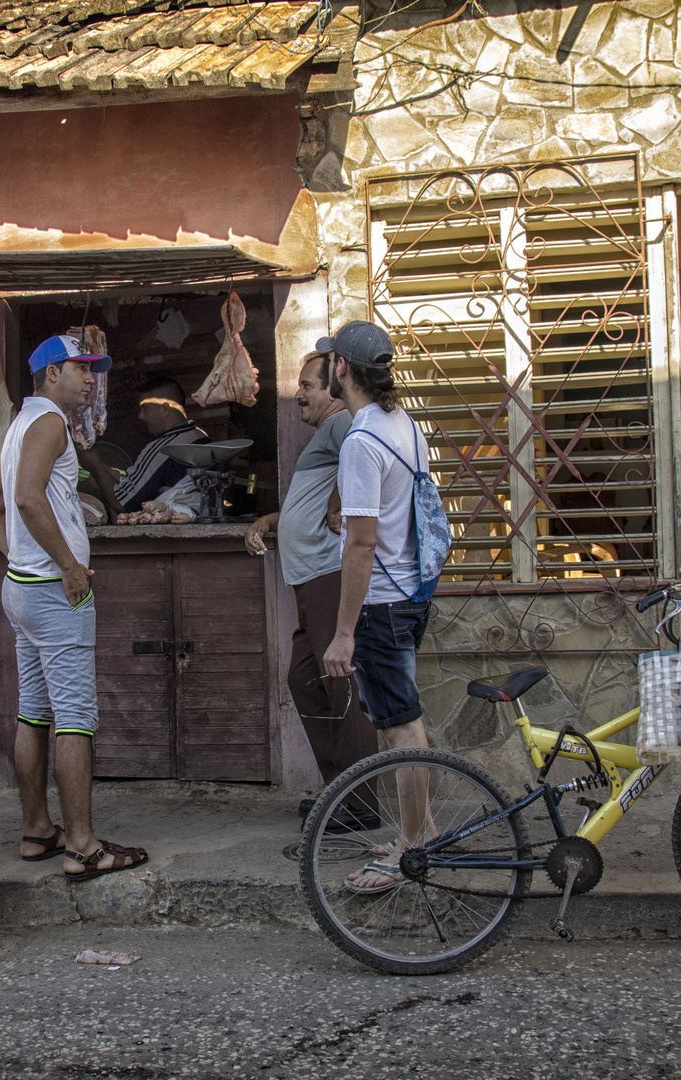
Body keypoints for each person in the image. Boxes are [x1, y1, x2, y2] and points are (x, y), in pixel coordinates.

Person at [0, 333, 149, 880]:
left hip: (23, 589)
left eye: (92, 369)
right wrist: (67, 567)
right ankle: (82, 846)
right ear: (51, 373)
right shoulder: (48, 421)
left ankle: (37, 832)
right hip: (54, 594)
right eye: (81, 368)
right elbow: (25, 498)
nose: (90, 378)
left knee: (34, 712)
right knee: (75, 718)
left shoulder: (18, 427)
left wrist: (22, 558)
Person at [318, 321, 436, 893]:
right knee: (402, 724)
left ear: (341, 367)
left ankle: (413, 851)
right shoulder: (405, 426)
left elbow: (362, 544)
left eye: (329, 361)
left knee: (402, 731)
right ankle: (422, 831)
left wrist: (343, 633)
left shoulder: (363, 441)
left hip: (383, 604)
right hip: (410, 594)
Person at [245, 352, 380, 832]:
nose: (299, 394)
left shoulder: (344, 422)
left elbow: (362, 459)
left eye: (307, 385)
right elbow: (307, 505)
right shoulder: (323, 433)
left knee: (340, 685)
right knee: (305, 679)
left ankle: (360, 804)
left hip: (328, 577)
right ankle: (339, 790)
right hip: (310, 582)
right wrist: (269, 520)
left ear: (333, 390)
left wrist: (342, 501)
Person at [86, 377, 208, 516]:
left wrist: (93, 463)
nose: (140, 416)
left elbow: (122, 502)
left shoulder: (164, 448)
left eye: (145, 409)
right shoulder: (201, 437)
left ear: (165, 409)